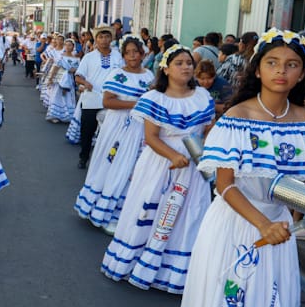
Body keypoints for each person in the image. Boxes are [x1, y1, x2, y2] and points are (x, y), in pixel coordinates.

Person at [170, 29, 305, 307]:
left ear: (302, 74)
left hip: (278, 230)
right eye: (272, 62)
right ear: (258, 69)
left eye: (291, 64)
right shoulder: (237, 117)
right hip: (235, 226)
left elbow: (304, 185)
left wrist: (293, 215)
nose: (281, 71)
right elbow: (224, 185)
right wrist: (264, 224)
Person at [101, 45, 214, 293]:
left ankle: (175, 272)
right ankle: (140, 263)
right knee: (150, 210)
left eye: (188, 63)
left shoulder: (202, 96)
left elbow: (208, 128)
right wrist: (174, 155)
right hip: (160, 164)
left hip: (193, 164)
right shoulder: (153, 98)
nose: (186, 67)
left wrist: (202, 151)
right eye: (179, 63)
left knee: (188, 214)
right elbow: (151, 137)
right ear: (165, 68)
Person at [74, 34, 153, 234]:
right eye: (129, 53)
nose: (133, 56)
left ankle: (122, 214)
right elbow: (108, 102)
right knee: (115, 165)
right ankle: (102, 212)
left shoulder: (149, 76)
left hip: (141, 129)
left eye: (136, 52)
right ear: (124, 56)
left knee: (132, 171)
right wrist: (137, 104)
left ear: (143, 54)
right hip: (119, 127)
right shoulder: (118, 74)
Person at [71, 26, 124, 168]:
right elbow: (78, 76)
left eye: (107, 37)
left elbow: (124, 75)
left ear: (111, 39)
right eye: (100, 37)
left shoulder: (118, 56)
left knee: (110, 132)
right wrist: (85, 82)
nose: (104, 40)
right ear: (96, 39)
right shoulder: (89, 57)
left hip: (112, 100)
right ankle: (84, 157)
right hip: (92, 100)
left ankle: (106, 160)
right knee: (87, 131)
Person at [46, 38, 78, 123]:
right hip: (59, 78)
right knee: (57, 96)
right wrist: (50, 79)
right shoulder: (61, 57)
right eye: (66, 45)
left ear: (73, 47)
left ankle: (67, 115)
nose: (67, 47)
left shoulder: (76, 59)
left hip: (69, 80)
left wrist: (74, 70)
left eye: (69, 45)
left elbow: (79, 70)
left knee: (68, 97)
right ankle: (55, 115)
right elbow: (55, 68)